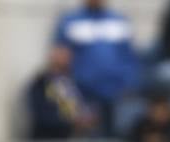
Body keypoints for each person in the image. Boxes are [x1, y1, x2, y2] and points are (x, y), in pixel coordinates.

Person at [52, 0, 141, 134]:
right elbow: (58, 68)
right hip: (85, 96)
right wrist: (73, 109)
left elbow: (130, 58)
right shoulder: (70, 21)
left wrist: (129, 86)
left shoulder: (119, 21)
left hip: (119, 95)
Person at [26, 45, 97, 142]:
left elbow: (81, 107)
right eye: (61, 56)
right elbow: (41, 114)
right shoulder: (40, 83)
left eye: (67, 57)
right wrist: (70, 122)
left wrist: (88, 118)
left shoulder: (73, 82)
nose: (65, 60)